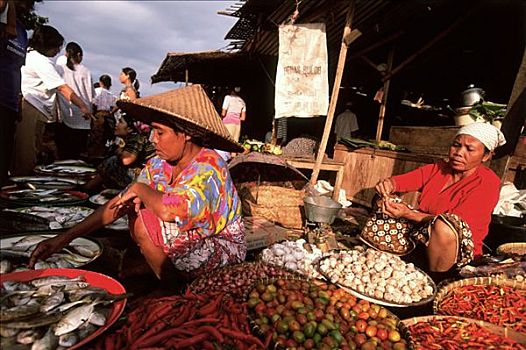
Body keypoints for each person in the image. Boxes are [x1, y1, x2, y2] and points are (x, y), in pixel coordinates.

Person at [29, 85, 246, 282]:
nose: (153, 139)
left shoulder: (209, 166)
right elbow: (118, 203)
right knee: (135, 207)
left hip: (222, 246)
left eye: (160, 132)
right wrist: (64, 238)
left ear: (187, 134)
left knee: (145, 218)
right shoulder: (160, 164)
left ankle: (173, 287)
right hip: (193, 236)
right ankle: (158, 269)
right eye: (152, 131)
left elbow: (170, 211)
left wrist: (140, 189)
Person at [375, 122, 506, 275]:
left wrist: (408, 214)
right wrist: (388, 185)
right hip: (422, 234)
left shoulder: (487, 183)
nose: (459, 153)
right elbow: (402, 181)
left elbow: (454, 224)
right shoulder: (440, 168)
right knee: (381, 202)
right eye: (456, 145)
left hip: (457, 249)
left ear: (486, 156)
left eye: (469, 149)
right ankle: (387, 256)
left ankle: (436, 278)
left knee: (444, 226)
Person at [12, 25, 93, 175]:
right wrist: (83, 106)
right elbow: (62, 88)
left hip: (36, 108)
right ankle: (20, 186)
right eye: (56, 47)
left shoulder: (31, 56)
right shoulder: (41, 61)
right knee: (26, 152)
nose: (57, 51)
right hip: (31, 106)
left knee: (32, 149)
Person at [0, 0, 41, 185]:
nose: (27, 4)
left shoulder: (22, 33)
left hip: (9, 102)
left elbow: (17, 69)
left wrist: (18, 100)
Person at [84, 112, 155, 190]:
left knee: (113, 162)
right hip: (143, 172)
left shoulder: (137, 138)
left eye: (121, 122)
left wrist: (119, 150)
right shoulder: (131, 138)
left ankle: (89, 187)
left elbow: (127, 160)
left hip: (148, 175)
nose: (117, 124)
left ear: (129, 129)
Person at [55, 42, 94, 159]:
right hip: (83, 116)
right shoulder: (85, 71)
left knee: (64, 153)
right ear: (79, 55)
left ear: (66, 54)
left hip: (66, 115)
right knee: (77, 155)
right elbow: (91, 94)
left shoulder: (59, 69)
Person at [89, 74, 117, 158]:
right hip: (109, 116)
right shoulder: (112, 95)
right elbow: (114, 107)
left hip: (98, 115)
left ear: (101, 82)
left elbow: (93, 104)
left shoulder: (96, 91)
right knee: (105, 138)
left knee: (95, 137)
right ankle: (101, 155)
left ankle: (93, 155)